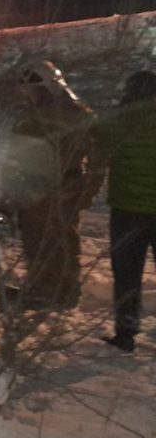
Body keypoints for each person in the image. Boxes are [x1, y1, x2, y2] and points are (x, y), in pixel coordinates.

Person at [1, 60, 106, 310]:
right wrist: (8, 191)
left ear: (52, 86)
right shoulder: (27, 116)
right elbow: (13, 156)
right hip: (30, 189)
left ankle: (63, 292)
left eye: (37, 89)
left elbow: (99, 156)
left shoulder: (76, 114)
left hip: (64, 188)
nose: (32, 95)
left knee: (61, 241)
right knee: (34, 240)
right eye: (29, 90)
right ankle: (40, 289)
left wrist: (87, 190)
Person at [95, 70, 156, 352]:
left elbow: (98, 152)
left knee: (127, 273)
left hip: (127, 210)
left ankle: (126, 332)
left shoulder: (118, 120)